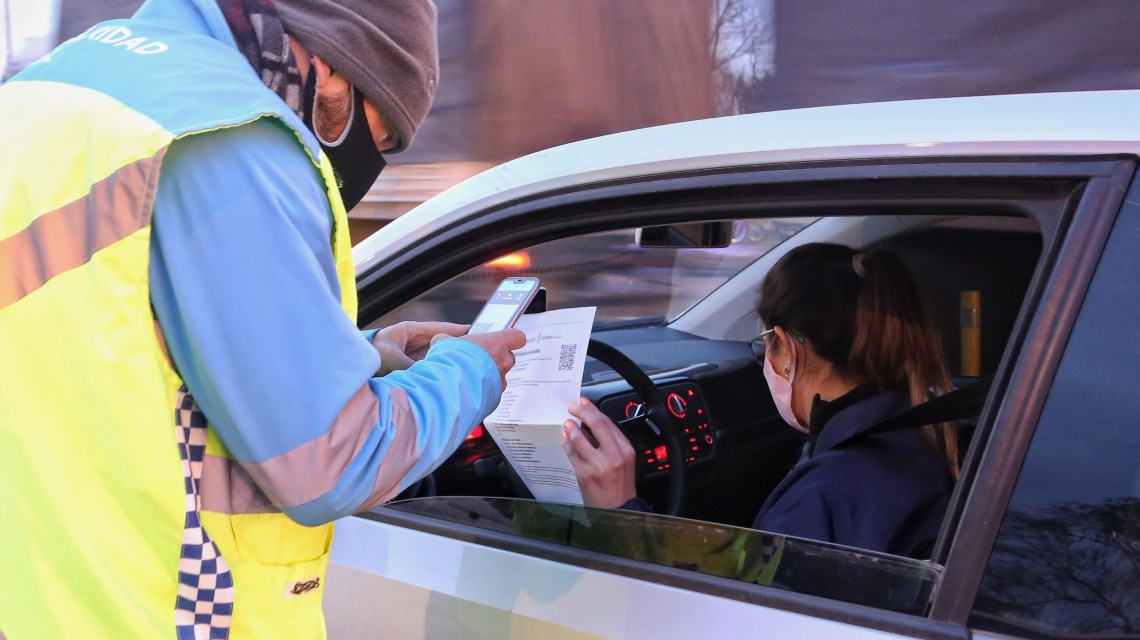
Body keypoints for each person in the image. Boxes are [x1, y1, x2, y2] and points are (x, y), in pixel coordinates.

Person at [0, 0, 525, 638]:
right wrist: (469, 371)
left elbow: (104, 325)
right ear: (334, 71)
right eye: (378, 135)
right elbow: (331, 463)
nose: (365, 160)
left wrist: (368, 350)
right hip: (146, 609)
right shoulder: (230, 136)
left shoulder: (51, 89)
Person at [563, 242, 958, 559]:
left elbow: (735, 622)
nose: (765, 360)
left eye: (763, 344)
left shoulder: (825, 495)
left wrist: (619, 516)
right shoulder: (918, 429)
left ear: (788, 350)